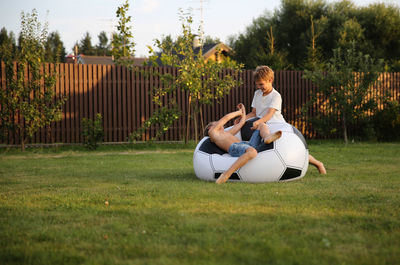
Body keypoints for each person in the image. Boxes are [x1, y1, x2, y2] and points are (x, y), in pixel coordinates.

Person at [240, 65, 326, 174]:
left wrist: (258, 122)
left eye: (261, 84)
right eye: (257, 85)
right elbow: (253, 113)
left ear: (270, 80)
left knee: (291, 150)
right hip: (263, 126)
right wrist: (242, 120)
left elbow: (269, 114)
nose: (259, 87)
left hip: (276, 125)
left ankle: (318, 163)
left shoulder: (275, 96)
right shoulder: (257, 94)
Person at [205, 103, 282, 184]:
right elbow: (226, 118)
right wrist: (239, 112)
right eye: (216, 123)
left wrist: (243, 111)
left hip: (247, 145)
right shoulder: (213, 132)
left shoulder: (227, 133)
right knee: (253, 152)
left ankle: (267, 137)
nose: (219, 123)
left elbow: (241, 124)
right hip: (234, 148)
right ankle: (226, 175)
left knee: (261, 124)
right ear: (210, 127)